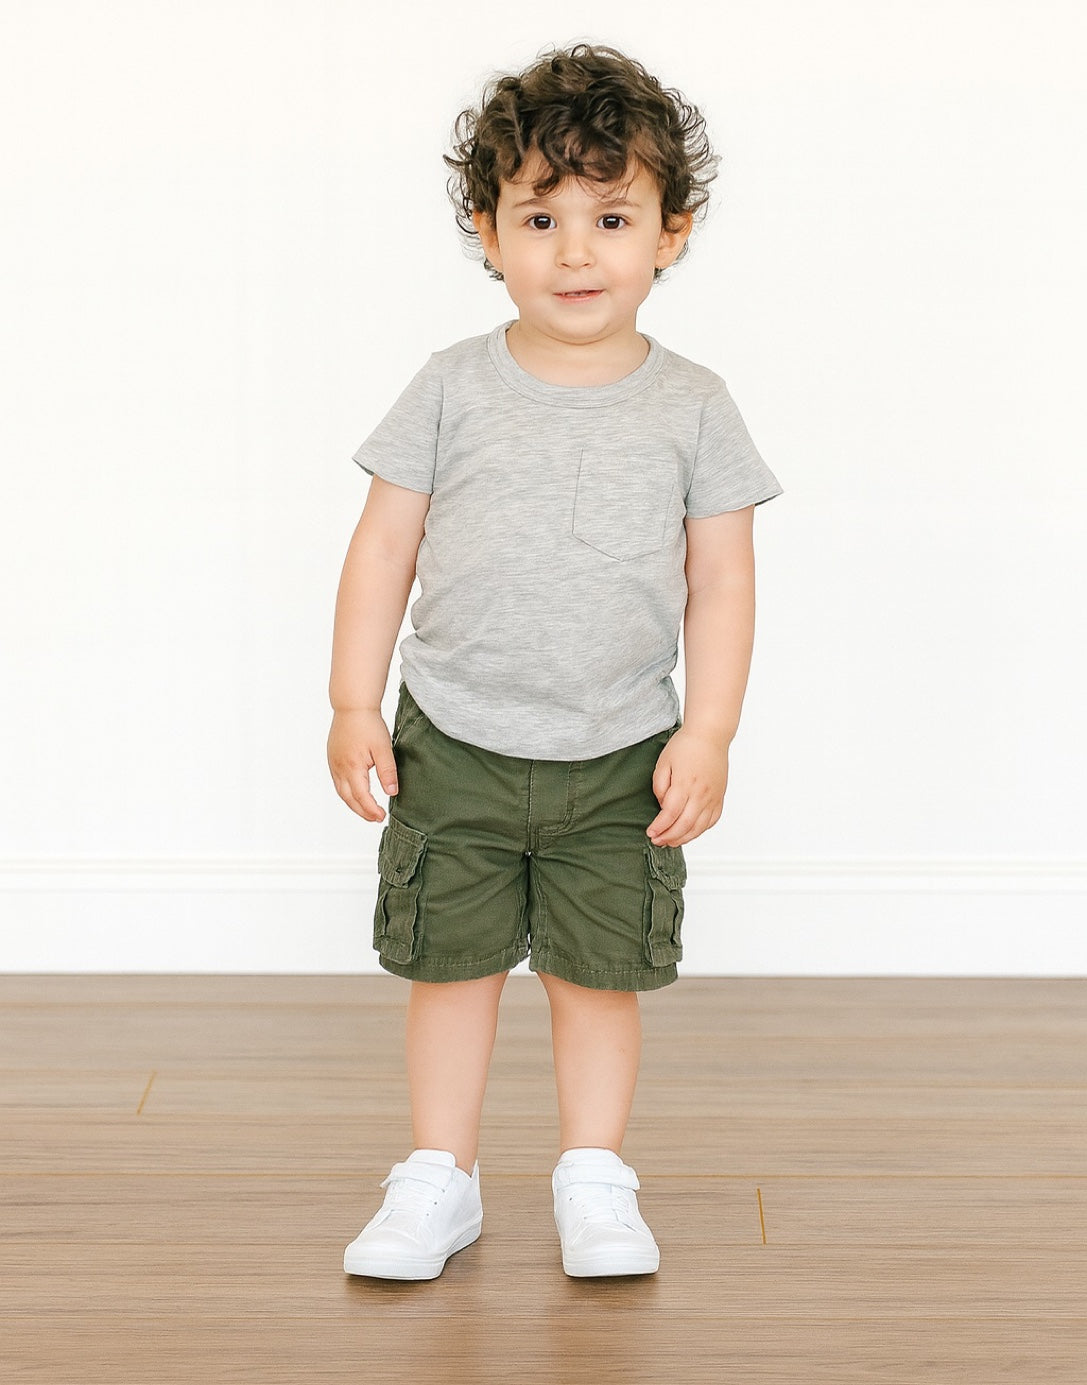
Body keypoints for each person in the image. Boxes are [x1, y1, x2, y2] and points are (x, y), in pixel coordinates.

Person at [328, 42, 782, 1281]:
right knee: (451, 966)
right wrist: (352, 700)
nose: (574, 251)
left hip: (619, 753)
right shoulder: (447, 388)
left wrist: (710, 731)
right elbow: (381, 552)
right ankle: (440, 1174)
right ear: (488, 230)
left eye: (611, 216)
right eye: (539, 216)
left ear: (669, 233)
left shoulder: (695, 405)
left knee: (595, 978)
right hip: (455, 740)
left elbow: (722, 578)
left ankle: (593, 1171)